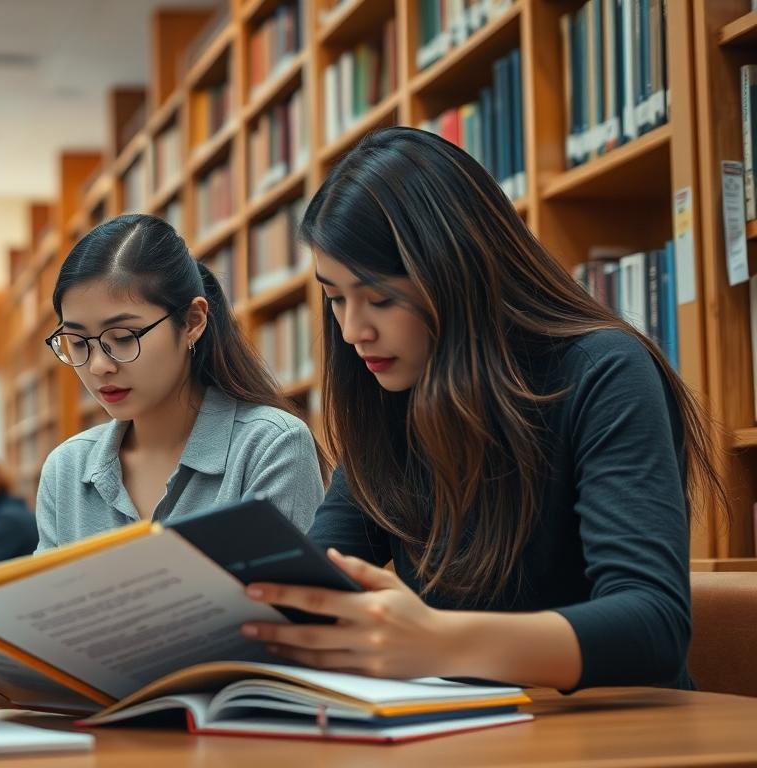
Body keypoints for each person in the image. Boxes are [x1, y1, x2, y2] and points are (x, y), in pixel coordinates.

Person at [237, 126, 722, 692]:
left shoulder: (603, 371)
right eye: (335, 297)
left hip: (611, 735)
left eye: (381, 298)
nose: (352, 332)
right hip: (470, 733)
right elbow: (321, 574)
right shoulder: (393, 393)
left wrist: (438, 641)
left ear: (457, 271)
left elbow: (652, 628)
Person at [0, 213, 327, 706]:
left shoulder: (271, 446)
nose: (99, 365)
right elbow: (53, 669)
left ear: (194, 322)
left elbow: (301, 646)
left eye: (124, 337)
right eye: (77, 343)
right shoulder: (68, 469)